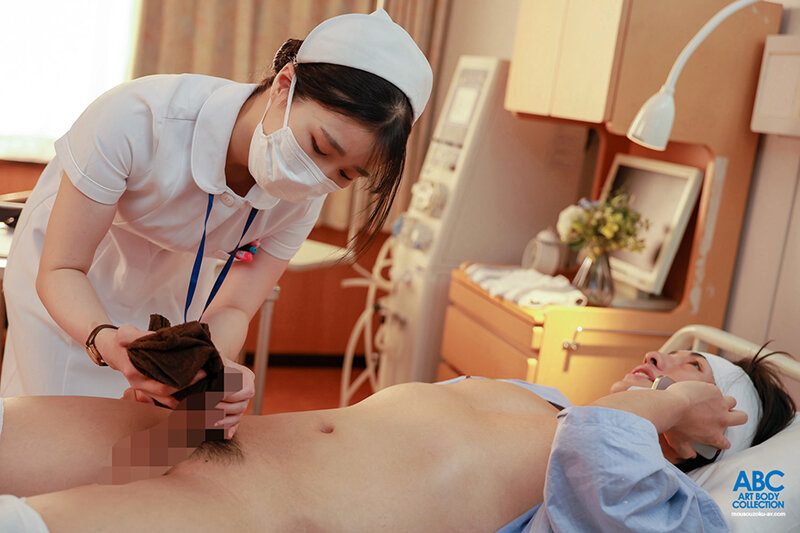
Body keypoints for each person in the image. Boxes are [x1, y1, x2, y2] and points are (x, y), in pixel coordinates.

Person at [0, 9, 433, 437]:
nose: (317, 177)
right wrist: (104, 340)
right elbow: (62, 268)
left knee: (155, 431)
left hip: (172, 276)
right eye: (319, 146)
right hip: (73, 270)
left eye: (346, 174)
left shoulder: (302, 200)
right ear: (285, 85)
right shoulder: (136, 118)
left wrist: (216, 365)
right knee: (59, 430)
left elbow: (233, 307)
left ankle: (127, 477)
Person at [0, 348, 794, 532]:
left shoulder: (674, 506)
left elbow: (601, 453)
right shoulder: (538, 397)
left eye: (690, 371)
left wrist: (669, 407)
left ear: (708, 435)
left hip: (249, 511)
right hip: (185, 439)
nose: (661, 363)